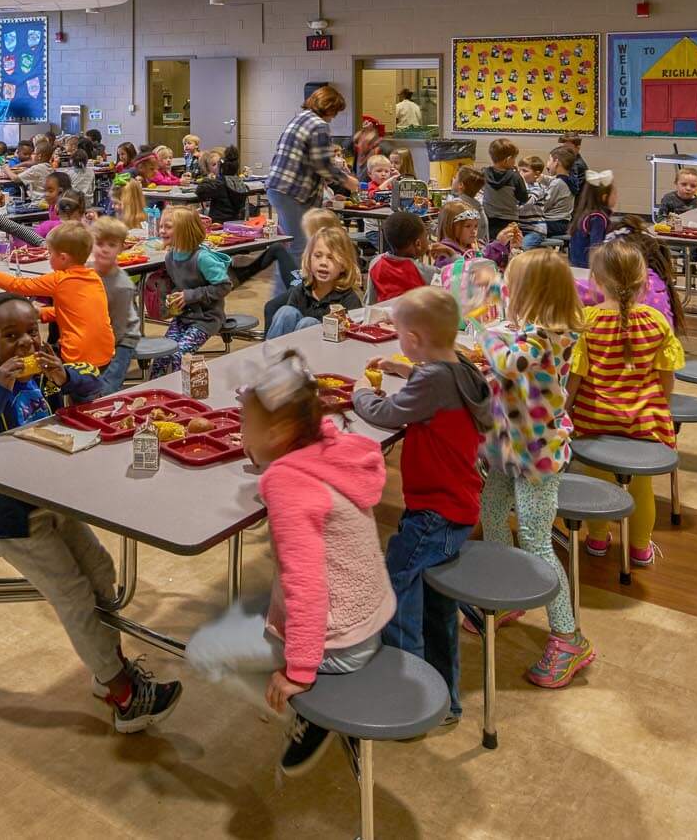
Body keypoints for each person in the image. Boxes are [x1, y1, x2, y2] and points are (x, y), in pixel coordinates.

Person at [0, 295, 173, 731]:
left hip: (55, 501)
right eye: (9, 337)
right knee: (72, 593)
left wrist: (65, 375)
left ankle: (108, 669)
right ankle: (125, 695)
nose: (24, 343)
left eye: (32, 331)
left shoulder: (46, 380)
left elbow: (98, 391)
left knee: (101, 570)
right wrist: (0, 391)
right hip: (10, 517)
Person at [185, 352, 393, 777]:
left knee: (202, 652)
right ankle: (309, 687)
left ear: (279, 432)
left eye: (246, 425)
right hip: (369, 615)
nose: (241, 433)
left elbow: (306, 583)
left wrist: (300, 671)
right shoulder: (334, 445)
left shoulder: (287, 483)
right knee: (250, 608)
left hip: (338, 643)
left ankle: (310, 710)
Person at [352, 286, 491, 726]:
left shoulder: (432, 380)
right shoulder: (459, 367)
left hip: (434, 512)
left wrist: (360, 392)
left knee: (395, 588)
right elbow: (435, 385)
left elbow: (387, 413)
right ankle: (444, 700)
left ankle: (406, 695)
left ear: (412, 338)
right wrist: (406, 369)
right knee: (435, 603)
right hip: (457, 505)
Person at [477, 250, 592, 687]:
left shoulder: (548, 336)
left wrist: (484, 329)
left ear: (531, 293)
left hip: (538, 452)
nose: (506, 288)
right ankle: (507, 593)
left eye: (512, 283)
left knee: (536, 539)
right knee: (490, 510)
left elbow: (507, 363)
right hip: (509, 445)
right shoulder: (529, 331)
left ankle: (569, 637)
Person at [572, 237, 682, 569]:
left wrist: (564, 414)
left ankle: (597, 538)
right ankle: (639, 548)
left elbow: (574, 378)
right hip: (644, 423)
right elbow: (667, 376)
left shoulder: (586, 321)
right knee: (642, 487)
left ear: (595, 280)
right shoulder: (656, 321)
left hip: (595, 422)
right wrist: (661, 406)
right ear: (644, 281)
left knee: (597, 479)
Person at [0, 222, 115, 373]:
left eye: (50, 253)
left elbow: (20, 285)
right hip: (105, 350)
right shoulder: (94, 277)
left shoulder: (60, 279)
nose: (48, 257)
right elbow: (79, 313)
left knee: (46, 367)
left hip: (77, 355)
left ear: (63, 258)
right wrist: (43, 313)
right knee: (92, 388)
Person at [266, 85, 360, 294]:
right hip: (291, 191)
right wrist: (347, 181)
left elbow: (307, 160)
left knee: (290, 246)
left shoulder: (299, 118)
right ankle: (292, 299)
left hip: (279, 188)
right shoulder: (319, 125)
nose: (334, 116)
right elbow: (322, 164)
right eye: (335, 111)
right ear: (329, 107)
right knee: (301, 248)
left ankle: (285, 295)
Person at [156, 207, 233, 374]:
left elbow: (224, 286)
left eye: (168, 227)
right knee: (162, 356)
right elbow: (180, 284)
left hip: (207, 319)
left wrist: (190, 296)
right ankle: (155, 394)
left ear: (184, 230)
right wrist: (173, 299)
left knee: (179, 356)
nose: (162, 231)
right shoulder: (170, 256)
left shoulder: (203, 258)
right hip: (183, 317)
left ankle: (181, 393)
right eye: (161, 226)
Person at [266, 227, 363, 339]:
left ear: (343, 265)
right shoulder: (300, 290)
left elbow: (354, 337)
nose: (323, 263)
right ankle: (270, 354)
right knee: (286, 311)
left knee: (308, 323)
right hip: (291, 352)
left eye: (331, 258)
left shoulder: (350, 299)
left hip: (328, 352)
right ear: (309, 259)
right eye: (317, 256)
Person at [87, 217, 141, 391]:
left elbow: (118, 328)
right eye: (100, 243)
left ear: (121, 248)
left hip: (122, 338)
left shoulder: (122, 286)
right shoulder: (85, 271)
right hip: (97, 332)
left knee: (106, 389)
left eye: (111, 245)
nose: (104, 250)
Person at [367, 208, 433, 304]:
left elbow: (370, 301)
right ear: (418, 244)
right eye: (426, 237)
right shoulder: (424, 271)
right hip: (416, 317)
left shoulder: (375, 263)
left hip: (385, 317)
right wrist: (451, 255)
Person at [565, 171, 618, 271]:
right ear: (604, 197)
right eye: (614, 193)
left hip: (575, 265)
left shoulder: (585, 213)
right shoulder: (598, 218)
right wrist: (598, 271)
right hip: (587, 268)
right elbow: (595, 247)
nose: (616, 197)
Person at [480, 139, 529, 230]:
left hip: (488, 218)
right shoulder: (515, 177)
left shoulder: (484, 173)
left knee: (492, 243)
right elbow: (523, 198)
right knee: (508, 243)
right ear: (508, 159)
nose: (515, 161)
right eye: (514, 158)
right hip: (509, 220)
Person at [195, 146, 252, 223]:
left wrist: (208, 179)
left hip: (219, 223)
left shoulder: (219, 183)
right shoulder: (239, 181)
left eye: (216, 164)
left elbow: (200, 191)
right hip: (237, 220)